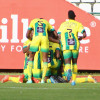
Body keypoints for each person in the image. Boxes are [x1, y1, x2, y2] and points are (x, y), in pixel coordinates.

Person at [58, 10, 86, 85]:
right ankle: (73, 81)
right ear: (74, 16)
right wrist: (81, 38)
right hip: (75, 44)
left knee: (67, 63)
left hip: (66, 45)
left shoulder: (63, 24)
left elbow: (59, 35)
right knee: (74, 63)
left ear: (68, 17)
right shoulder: (78, 24)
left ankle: (68, 70)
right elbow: (84, 34)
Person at [26, 18, 58, 83]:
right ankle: (43, 80)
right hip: (44, 38)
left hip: (36, 38)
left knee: (31, 58)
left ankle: (29, 79)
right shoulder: (46, 22)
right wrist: (56, 37)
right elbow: (55, 33)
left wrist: (29, 38)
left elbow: (27, 35)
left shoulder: (33, 21)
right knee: (45, 59)